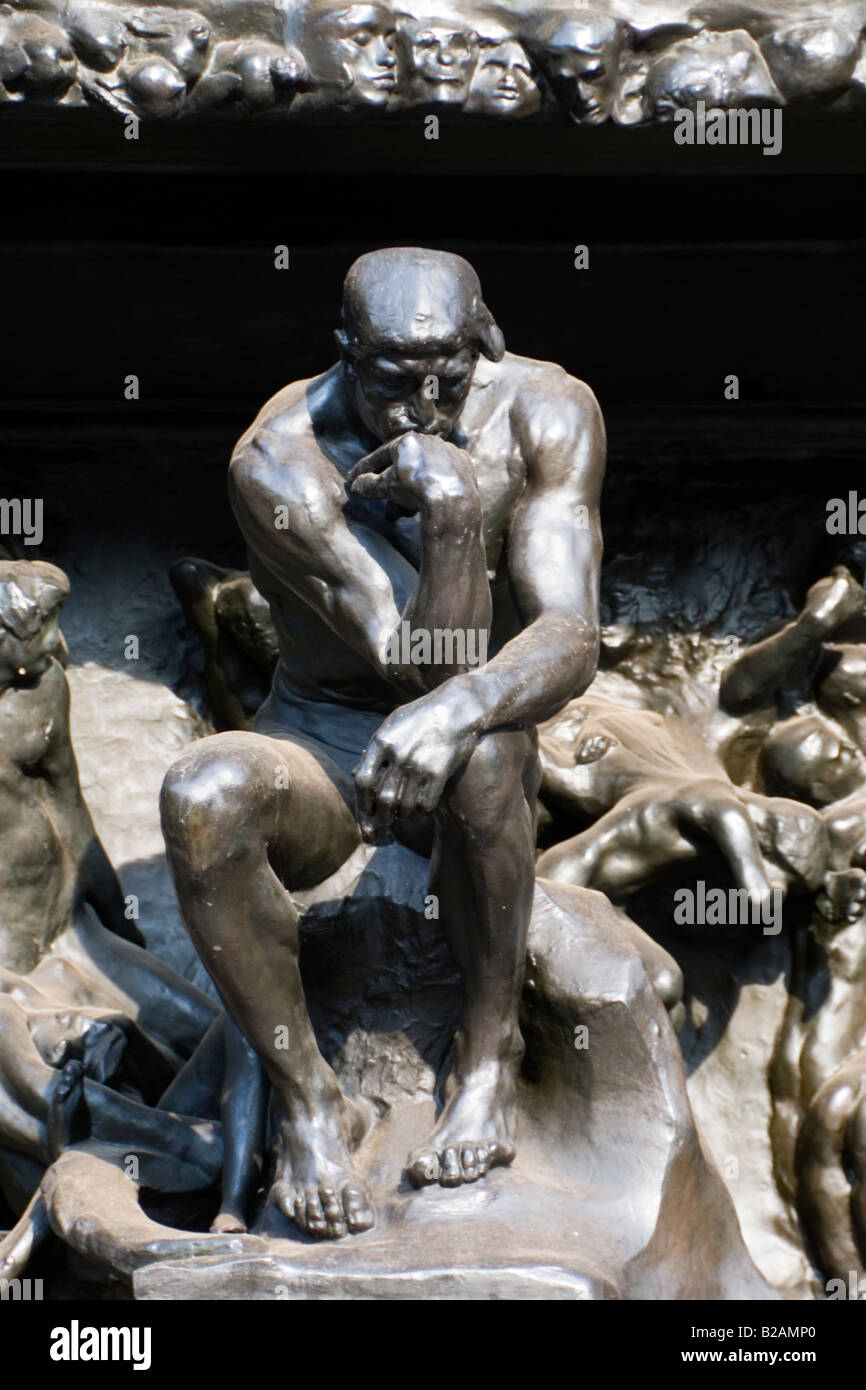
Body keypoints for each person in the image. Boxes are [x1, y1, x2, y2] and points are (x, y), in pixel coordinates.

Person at [160, 246, 604, 1239]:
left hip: (468, 737)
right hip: (323, 747)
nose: (425, 400)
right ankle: (310, 1096)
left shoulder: (545, 409)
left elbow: (571, 633)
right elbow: (412, 658)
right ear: (344, 352)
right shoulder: (278, 454)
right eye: (393, 378)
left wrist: (465, 703)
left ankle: (486, 1056)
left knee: (484, 745)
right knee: (202, 793)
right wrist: (449, 513)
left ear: (481, 337)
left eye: (448, 370)